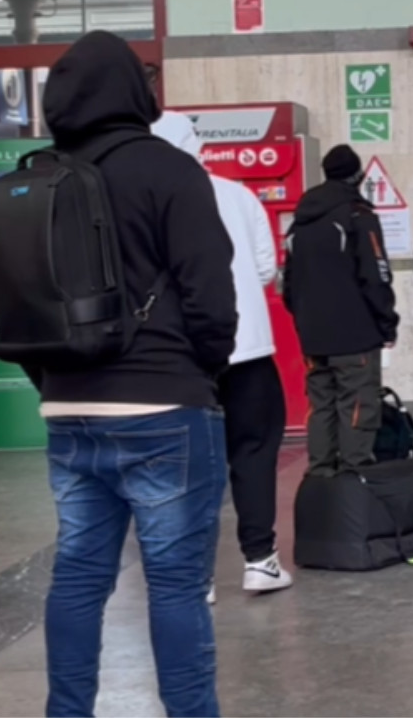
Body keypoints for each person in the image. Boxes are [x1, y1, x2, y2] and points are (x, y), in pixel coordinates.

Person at [35, 32, 238, 718]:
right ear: (135, 91)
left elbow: (21, 296)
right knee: (176, 586)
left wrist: (56, 382)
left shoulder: (42, 178)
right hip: (165, 408)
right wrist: (198, 371)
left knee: (78, 578)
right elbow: (213, 297)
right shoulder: (170, 171)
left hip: (67, 410)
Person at [150, 111, 293, 598]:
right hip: (246, 347)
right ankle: (261, 560)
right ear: (199, 147)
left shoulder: (145, 200)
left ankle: (200, 575)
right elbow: (265, 268)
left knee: (188, 462)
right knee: (253, 452)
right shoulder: (237, 194)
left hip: (180, 357)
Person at [285, 144, 397, 476]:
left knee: (321, 408)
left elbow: (288, 284)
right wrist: (387, 323)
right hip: (356, 335)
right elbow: (376, 275)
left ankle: (320, 480)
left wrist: (307, 321)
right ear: (358, 176)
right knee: (358, 408)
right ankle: (354, 485)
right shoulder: (359, 216)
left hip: (313, 337)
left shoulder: (300, 222)